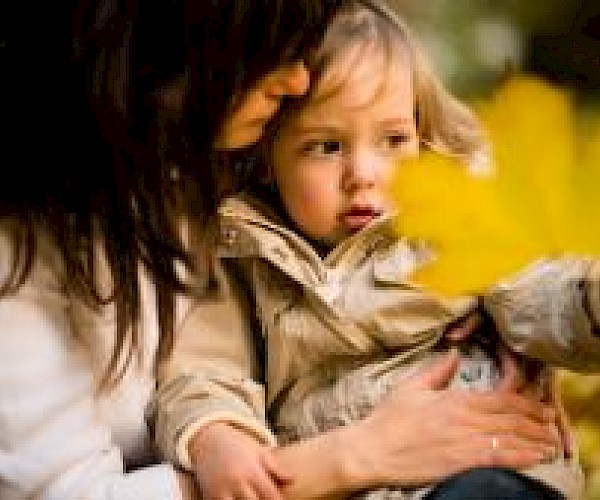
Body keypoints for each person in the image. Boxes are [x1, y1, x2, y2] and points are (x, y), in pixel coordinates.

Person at [154, 1, 599, 499]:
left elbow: (535, 291)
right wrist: (214, 433)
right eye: (326, 146)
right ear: (265, 161)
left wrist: (587, 301)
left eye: (392, 140)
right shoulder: (241, 257)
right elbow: (205, 368)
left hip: (487, 470)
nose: (363, 174)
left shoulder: (448, 221)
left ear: (421, 136)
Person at [0, 1, 347, 498]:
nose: (297, 81)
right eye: (266, 48)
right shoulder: (19, 240)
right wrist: (348, 459)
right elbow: (65, 492)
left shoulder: (194, 162)